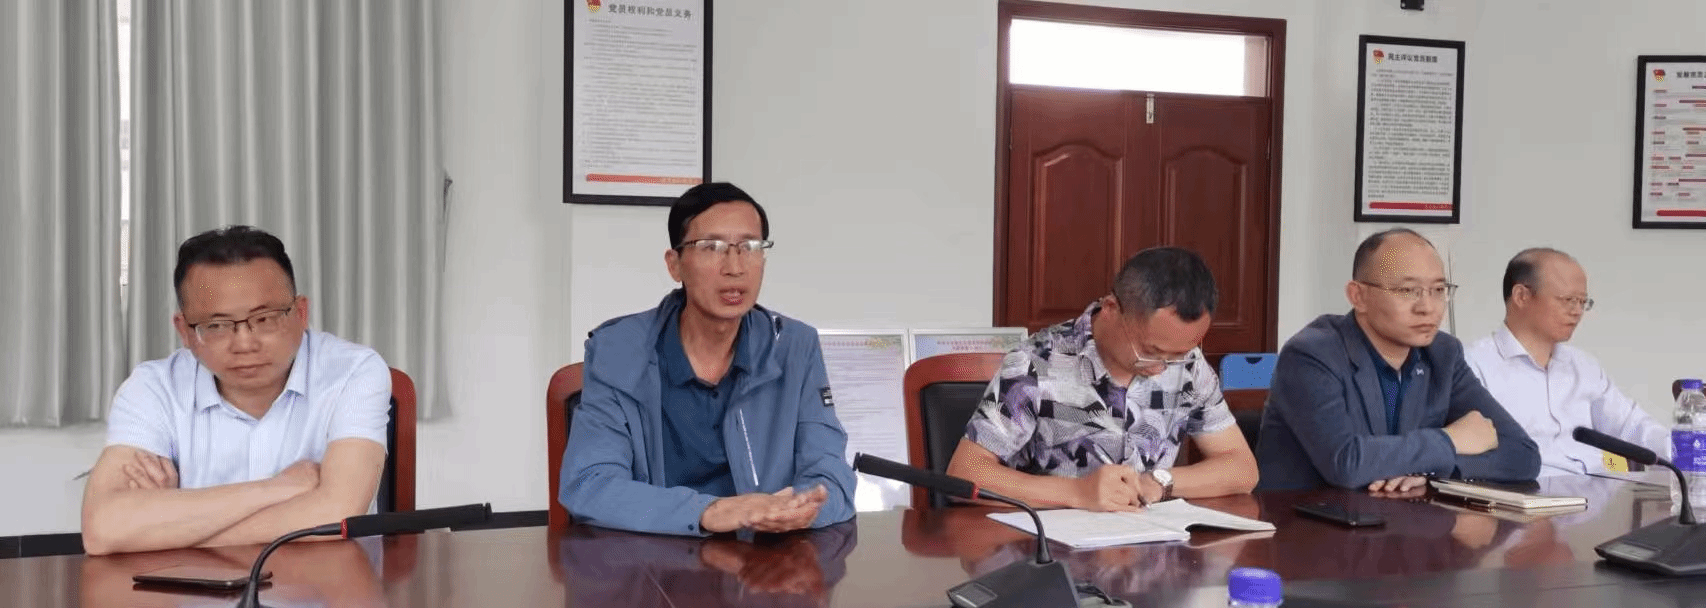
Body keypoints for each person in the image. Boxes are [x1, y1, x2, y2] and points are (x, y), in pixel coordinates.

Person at [560, 182, 856, 536]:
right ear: (675, 265)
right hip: (653, 556)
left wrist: (803, 509)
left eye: (749, 247)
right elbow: (590, 484)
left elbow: (830, 471)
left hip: (766, 558)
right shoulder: (618, 350)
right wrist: (707, 511)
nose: (735, 267)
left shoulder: (794, 346)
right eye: (712, 247)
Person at [81, 226, 391, 555]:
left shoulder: (353, 371)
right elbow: (103, 529)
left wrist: (166, 525)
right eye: (216, 326)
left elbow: (337, 515)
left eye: (265, 319)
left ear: (301, 313)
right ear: (185, 332)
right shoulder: (154, 387)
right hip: (191, 582)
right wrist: (276, 488)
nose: (245, 343)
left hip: (324, 579)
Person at [945, 247, 1259, 512]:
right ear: (1110, 309)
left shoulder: (1188, 366)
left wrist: (1160, 481)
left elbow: (1242, 468)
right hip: (1047, 551)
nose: (1163, 368)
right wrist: (1076, 493)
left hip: (1151, 550)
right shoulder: (1036, 364)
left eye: (1179, 354)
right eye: (1151, 352)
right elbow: (965, 474)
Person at [1256, 228, 1540, 491]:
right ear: (1358, 296)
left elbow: (1524, 455)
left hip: (1400, 520)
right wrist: (1450, 440)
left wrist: (1436, 468)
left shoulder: (1443, 355)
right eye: (1408, 291)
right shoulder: (1311, 354)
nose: (1427, 307)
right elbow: (1346, 462)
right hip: (1308, 521)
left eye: (1438, 290)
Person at [1466, 248, 1669, 476]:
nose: (1577, 311)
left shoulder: (1583, 366)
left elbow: (1631, 425)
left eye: (1583, 302)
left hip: (1598, 488)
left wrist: (1685, 451)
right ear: (1521, 296)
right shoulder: (1474, 366)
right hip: (1527, 490)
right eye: (1569, 300)